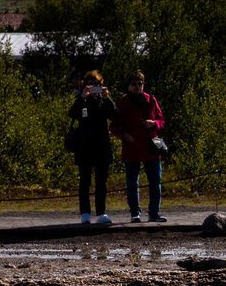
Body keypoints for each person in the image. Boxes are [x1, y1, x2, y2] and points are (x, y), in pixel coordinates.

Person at [113, 70, 167, 223]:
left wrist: (154, 123)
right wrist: (125, 136)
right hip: (132, 147)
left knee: (155, 181)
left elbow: (161, 121)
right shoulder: (122, 103)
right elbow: (114, 127)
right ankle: (135, 213)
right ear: (129, 86)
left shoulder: (151, 100)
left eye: (140, 83)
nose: (137, 86)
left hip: (151, 147)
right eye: (134, 84)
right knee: (132, 183)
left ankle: (154, 213)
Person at [64, 69, 117, 225]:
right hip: (84, 147)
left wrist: (107, 98)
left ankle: (101, 212)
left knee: (101, 182)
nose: (93, 87)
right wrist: (82, 97)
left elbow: (114, 114)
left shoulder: (103, 101)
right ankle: (85, 213)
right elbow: (72, 113)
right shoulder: (81, 100)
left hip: (101, 147)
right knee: (84, 182)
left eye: (96, 84)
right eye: (89, 84)